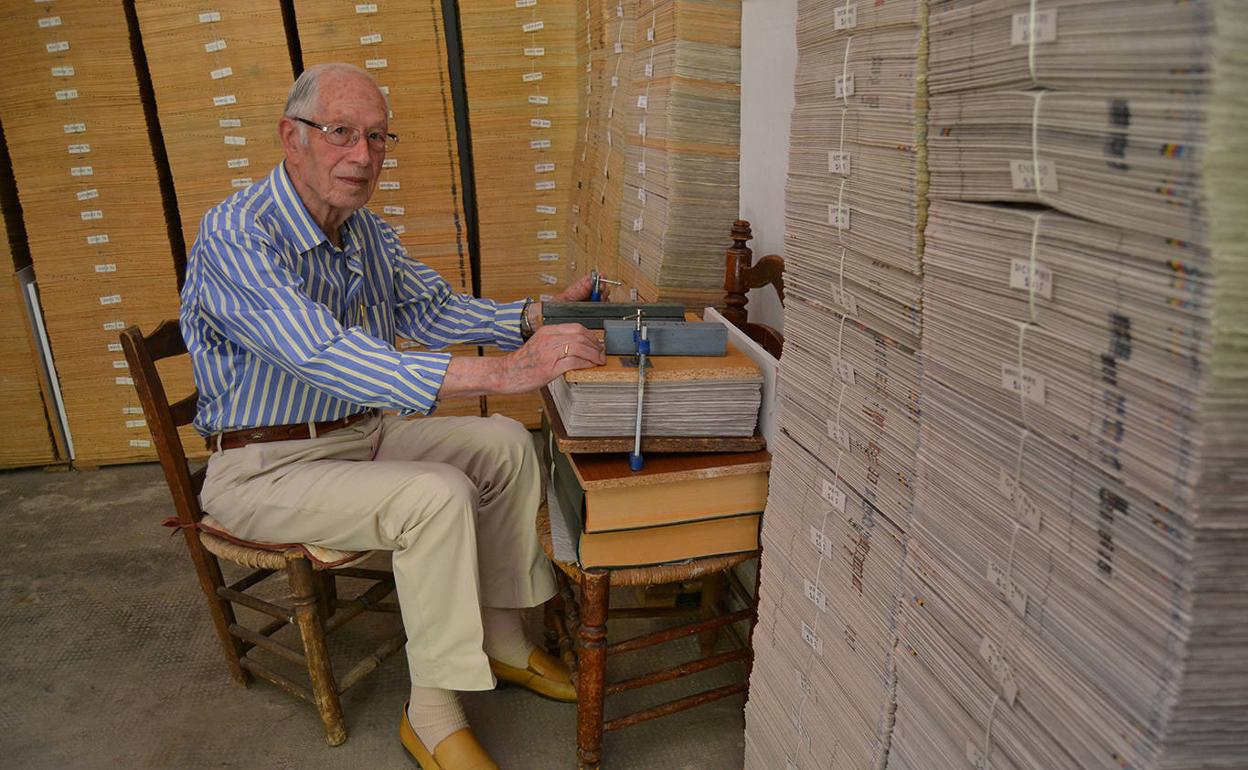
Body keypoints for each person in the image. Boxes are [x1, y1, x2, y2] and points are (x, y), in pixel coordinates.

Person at [180, 62, 607, 769]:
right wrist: (507, 370)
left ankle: (500, 639)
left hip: (358, 435)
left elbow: (433, 309)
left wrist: (536, 315)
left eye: (377, 138)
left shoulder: (363, 233)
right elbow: (321, 352)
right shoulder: (237, 236)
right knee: (435, 497)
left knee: (504, 442)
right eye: (342, 132)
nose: (362, 156)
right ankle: (433, 716)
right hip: (263, 469)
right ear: (293, 138)